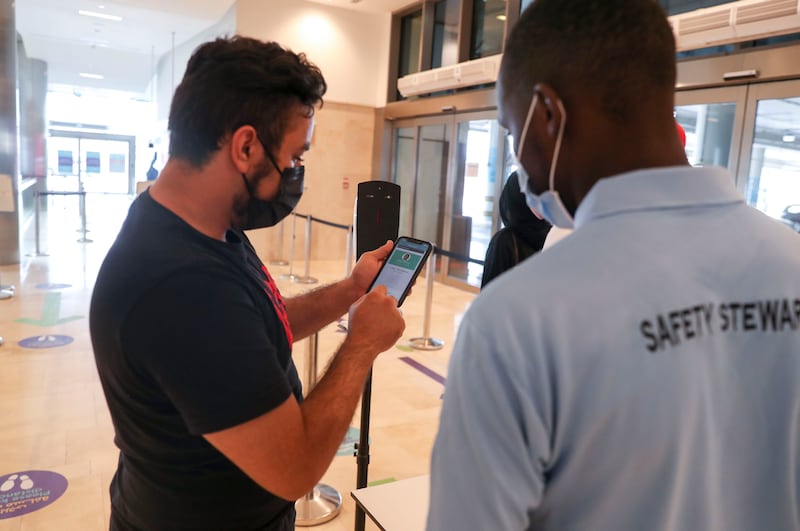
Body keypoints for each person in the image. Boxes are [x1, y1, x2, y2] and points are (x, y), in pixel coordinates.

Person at [427, 1, 800, 530]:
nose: (520, 163)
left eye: (513, 134)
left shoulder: (519, 319)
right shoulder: (791, 262)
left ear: (549, 115)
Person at [90, 36, 405, 531]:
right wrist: (362, 344)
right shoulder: (182, 285)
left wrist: (349, 291)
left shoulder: (205, 226)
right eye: (296, 157)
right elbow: (294, 467)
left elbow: (258, 326)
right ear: (246, 146)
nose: (297, 174)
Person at [480, 172, 550, 288]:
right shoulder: (504, 241)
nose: (539, 200)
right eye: (531, 195)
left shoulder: (551, 233)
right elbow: (489, 296)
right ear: (518, 197)